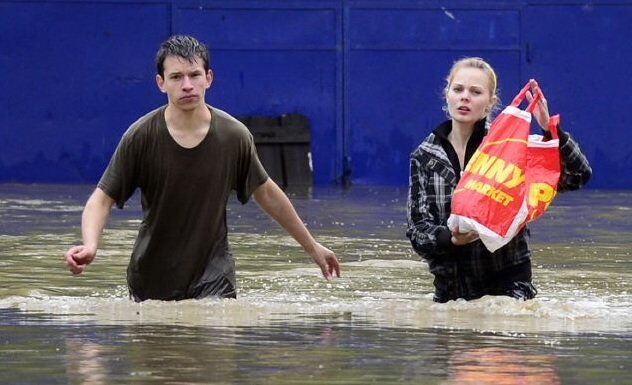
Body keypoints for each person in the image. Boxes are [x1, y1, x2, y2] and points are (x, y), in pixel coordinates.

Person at [64, 35, 340, 301]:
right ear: (161, 83)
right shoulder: (140, 137)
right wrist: (90, 245)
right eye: (176, 77)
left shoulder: (234, 136)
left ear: (209, 78)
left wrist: (312, 247)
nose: (187, 85)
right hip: (152, 279)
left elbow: (266, 192)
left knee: (213, 343)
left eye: (194, 75)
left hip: (215, 277)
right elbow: (101, 199)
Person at [406, 57, 591, 303]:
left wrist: (550, 129)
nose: (465, 97)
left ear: (490, 103)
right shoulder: (425, 155)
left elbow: (577, 175)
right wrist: (449, 238)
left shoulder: (510, 147)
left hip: (509, 287)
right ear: (447, 94)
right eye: (458, 89)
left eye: (475, 92)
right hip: (451, 290)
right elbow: (418, 230)